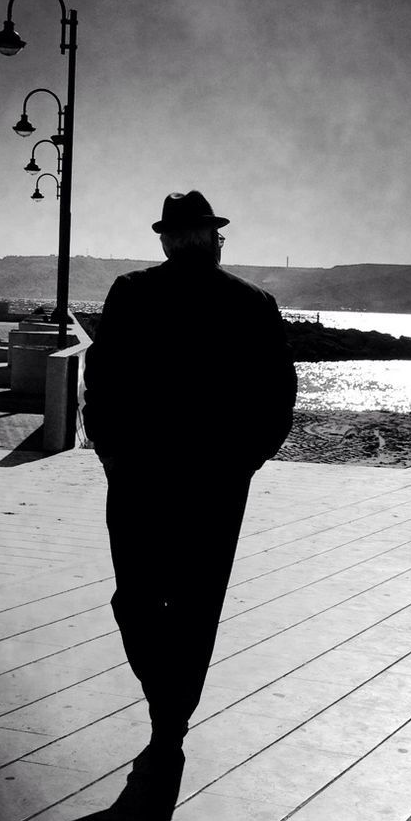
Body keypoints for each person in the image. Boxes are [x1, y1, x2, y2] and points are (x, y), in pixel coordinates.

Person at [83, 190, 297, 773]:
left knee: (148, 600)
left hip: (159, 480)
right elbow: (278, 401)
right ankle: (170, 712)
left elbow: (98, 384)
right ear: (207, 237)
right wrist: (245, 461)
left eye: (183, 234)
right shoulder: (154, 295)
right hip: (184, 482)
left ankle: (168, 718)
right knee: (178, 604)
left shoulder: (232, 302)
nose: (182, 242)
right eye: (182, 235)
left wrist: (111, 451)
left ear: (185, 238)